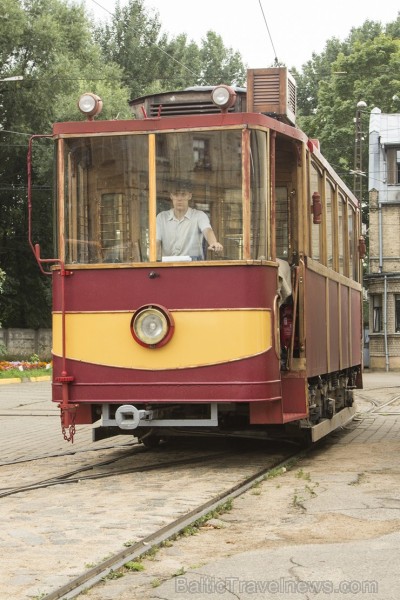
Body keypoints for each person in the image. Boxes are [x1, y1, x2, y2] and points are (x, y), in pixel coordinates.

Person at [156, 180, 223, 260]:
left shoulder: (199, 215)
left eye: (183, 195)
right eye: (176, 194)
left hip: (193, 267)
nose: (179, 199)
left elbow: (207, 230)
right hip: (169, 267)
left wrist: (213, 243)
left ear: (189, 196)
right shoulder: (161, 217)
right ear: (171, 196)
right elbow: (156, 242)